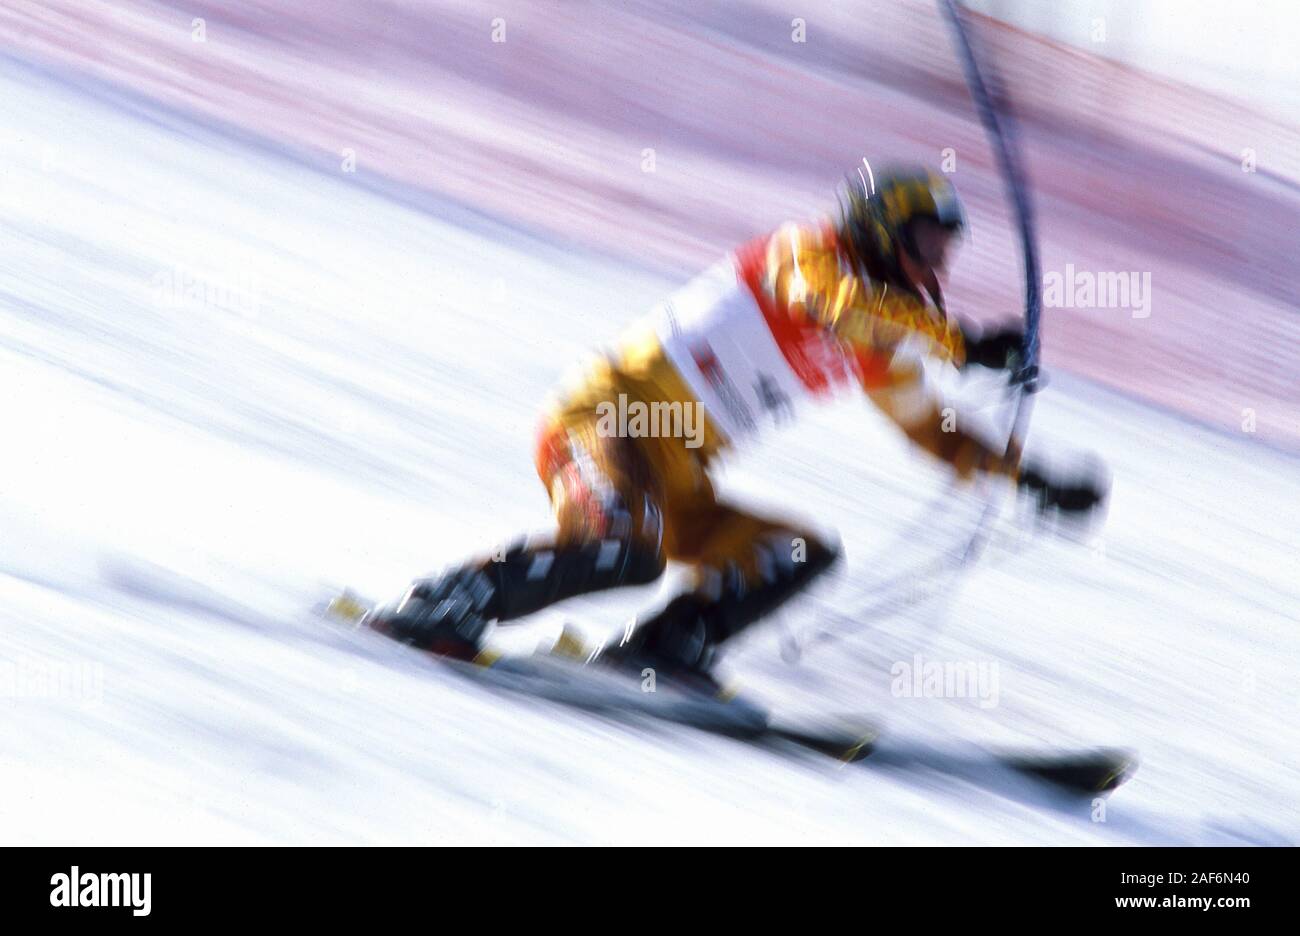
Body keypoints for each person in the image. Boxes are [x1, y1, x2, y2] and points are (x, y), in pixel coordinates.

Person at [369, 166, 1106, 681]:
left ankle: (663, 650)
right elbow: (833, 306)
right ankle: (450, 600)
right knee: (629, 550)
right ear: (880, 231)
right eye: (925, 244)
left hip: (678, 478)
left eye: (944, 250)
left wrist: (1030, 476)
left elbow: (936, 434)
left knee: (800, 553)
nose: (934, 265)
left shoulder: (886, 344)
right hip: (606, 423)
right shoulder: (807, 255)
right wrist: (962, 343)